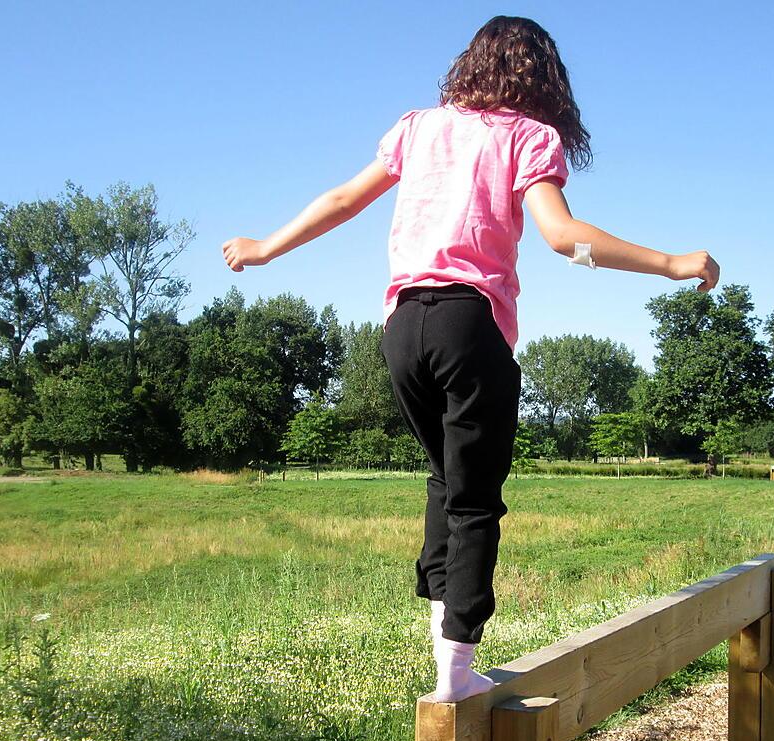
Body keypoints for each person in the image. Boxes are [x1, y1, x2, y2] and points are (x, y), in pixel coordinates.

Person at [222, 15, 719, 703]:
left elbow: (341, 201)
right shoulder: (528, 137)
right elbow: (561, 237)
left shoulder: (417, 128)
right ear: (544, 79)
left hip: (401, 330)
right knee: (476, 500)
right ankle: (455, 681)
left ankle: (446, 668)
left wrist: (264, 248)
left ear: (472, 65)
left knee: (443, 483)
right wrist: (667, 263)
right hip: (466, 322)